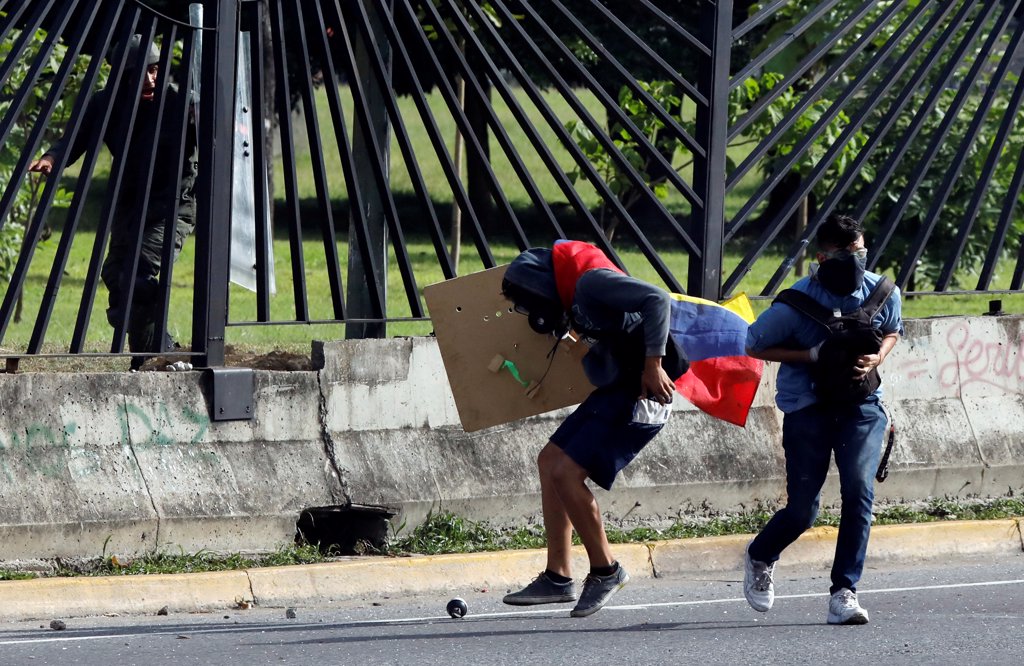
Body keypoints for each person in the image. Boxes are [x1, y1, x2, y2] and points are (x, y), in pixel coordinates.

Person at [499, 239, 689, 617]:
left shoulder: (589, 282)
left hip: (642, 390)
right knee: (549, 460)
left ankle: (606, 570)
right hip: (620, 386)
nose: (532, 312)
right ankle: (558, 576)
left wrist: (653, 364)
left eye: (530, 301)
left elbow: (656, 300)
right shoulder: (574, 296)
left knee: (567, 472)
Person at [742, 213, 902, 625]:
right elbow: (753, 344)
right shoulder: (795, 302)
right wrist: (809, 356)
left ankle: (844, 592)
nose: (855, 260)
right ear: (821, 256)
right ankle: (761, 555)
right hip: (807, 407)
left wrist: (878, 357)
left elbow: (893, 330)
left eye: (861, 252)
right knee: (802, 510)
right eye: (846, 254)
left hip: (861, 407)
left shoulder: (883, 292)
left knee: (859, 491)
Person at [29, 37, 198, 370]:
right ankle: (156, 350)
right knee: (115, 274)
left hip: (171, 205)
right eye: (140, 73)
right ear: (122, 77)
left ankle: (153, 355)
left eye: (154, 70)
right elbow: (75, 137)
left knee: (137, 273)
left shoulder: (181, 104)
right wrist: (52, 157)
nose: (150, 79)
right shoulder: (106, 104)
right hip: (131, 203)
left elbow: (213, 137)